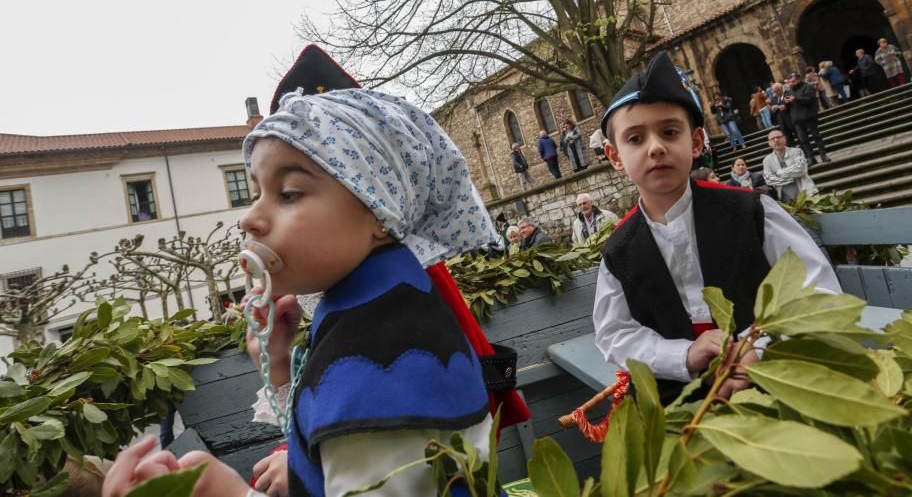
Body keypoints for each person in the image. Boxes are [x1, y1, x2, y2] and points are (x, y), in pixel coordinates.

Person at [103, 89, 508, 497]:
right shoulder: (377, 307)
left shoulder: (381, 358)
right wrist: (278, 366)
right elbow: (331, 442)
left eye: (289, 193)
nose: (249, 217)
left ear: (379, 210)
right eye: (256, 192)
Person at [592, 51, 841, 405]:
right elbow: (614, 332)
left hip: (776, 386)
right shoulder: (619, 250)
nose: (656, 147)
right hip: (678, 401)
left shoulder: (752, 212)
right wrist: (681, 356)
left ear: (695, 143)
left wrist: (759, 348)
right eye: (635, 139)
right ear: (615, 156)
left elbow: (817, 289)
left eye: (669, 131)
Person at [785, 72, 830, 165]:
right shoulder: (789, 91)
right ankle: (811, 158)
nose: (791, 84)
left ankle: (823, 155)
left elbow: (808, 100)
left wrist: (796, 99)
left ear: (798, 79)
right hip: (797, 119)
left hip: (808, 116)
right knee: (803, 140)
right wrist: (786, 103)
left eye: (793, 81)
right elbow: (789, 107)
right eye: (789, 82)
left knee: (816, 136)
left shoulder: (807, 87)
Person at [761, 129, 818, 203]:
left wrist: (780, 173)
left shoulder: (797, 151)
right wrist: (788, 179)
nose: (776, 140)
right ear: (769, 143)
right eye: (772, 139)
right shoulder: (767, 160)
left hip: (806, 192)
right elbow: (769, 179)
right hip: (784, 198)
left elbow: (801, 169)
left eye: (778, 137)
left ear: (784, 138)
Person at [769, 82, 798, 146]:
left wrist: (786, 106)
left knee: (801, 138)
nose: (775, 93)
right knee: (789, 142)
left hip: (792, 121)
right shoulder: (773, 99)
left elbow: (794, 104)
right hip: (782, 124)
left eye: (776, 91)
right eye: (774, 92)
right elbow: (773, 112)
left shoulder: (788, 93)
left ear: (780, 89)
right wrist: (773, 109)